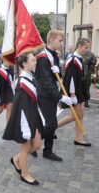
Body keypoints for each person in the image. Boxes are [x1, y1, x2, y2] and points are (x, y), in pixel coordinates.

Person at [3, 52, 43, 186]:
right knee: (25, 147)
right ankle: (25, 174)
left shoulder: (31, 77)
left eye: (35, 60)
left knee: (37, 145)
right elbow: (20, 107)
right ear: (24, 64)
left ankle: (16, 159)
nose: (35, 62)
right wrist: (25, 127)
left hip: (33, 115)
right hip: (24, 119)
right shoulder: (21, 82)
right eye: (33, 60)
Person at [34, 30, 72, 161]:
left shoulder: (53, 56)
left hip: (52, 94)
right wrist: (60, 97)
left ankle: (44, 148)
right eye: (60, 41)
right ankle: (38, 146)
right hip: (45, 95)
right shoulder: (43, 58)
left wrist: (58, 71)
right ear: (51, 40)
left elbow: (56, 78)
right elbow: (46, 82)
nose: (62, 44)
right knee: (51, 124)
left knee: (52, 124)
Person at [58, 38, 92, 147]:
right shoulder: (73, 60)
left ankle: (78, 138)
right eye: (86, 47)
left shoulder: (79, 58)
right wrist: (73, 95)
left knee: (81, 114)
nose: (87, 50)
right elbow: (70, 79)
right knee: (75, 116)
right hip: (75, 91)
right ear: (80, 45)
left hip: (79, 89)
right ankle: (51, 127)